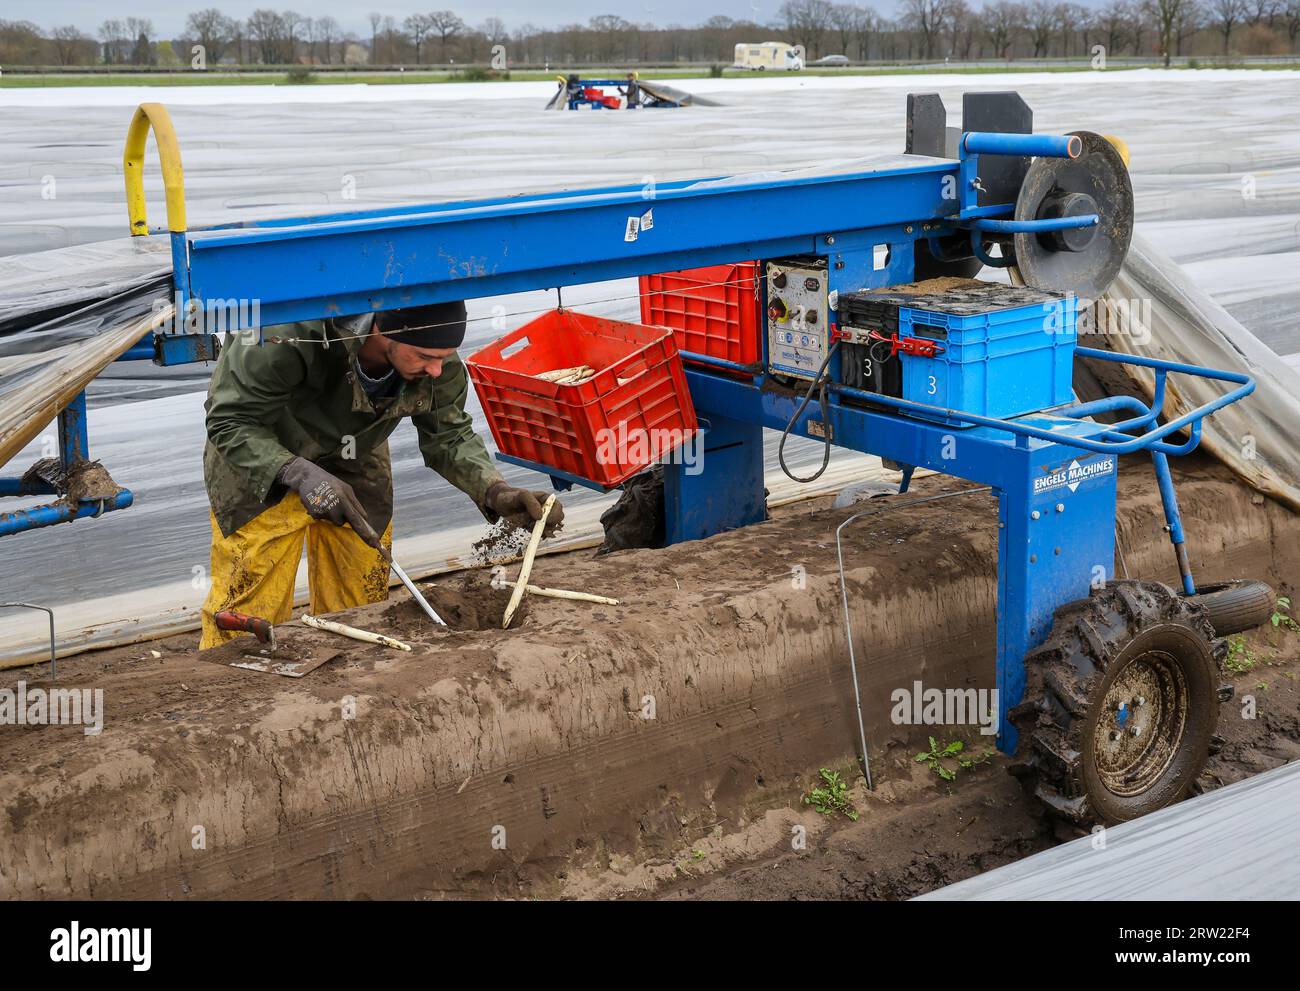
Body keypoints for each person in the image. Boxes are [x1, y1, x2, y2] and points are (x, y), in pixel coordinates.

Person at [198, 299, 562, 647]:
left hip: (355, 452)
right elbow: (229, 420)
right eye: (425, 357)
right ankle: (236, 683)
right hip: (264, 454)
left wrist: (494, 490)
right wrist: (298, 473)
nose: (436, 369)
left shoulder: (437, 362)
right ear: (381, 331)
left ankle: (352, 679)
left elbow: (449, 435)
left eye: (443, 357)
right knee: (250, 601)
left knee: (361, 601)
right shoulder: (284, 333)